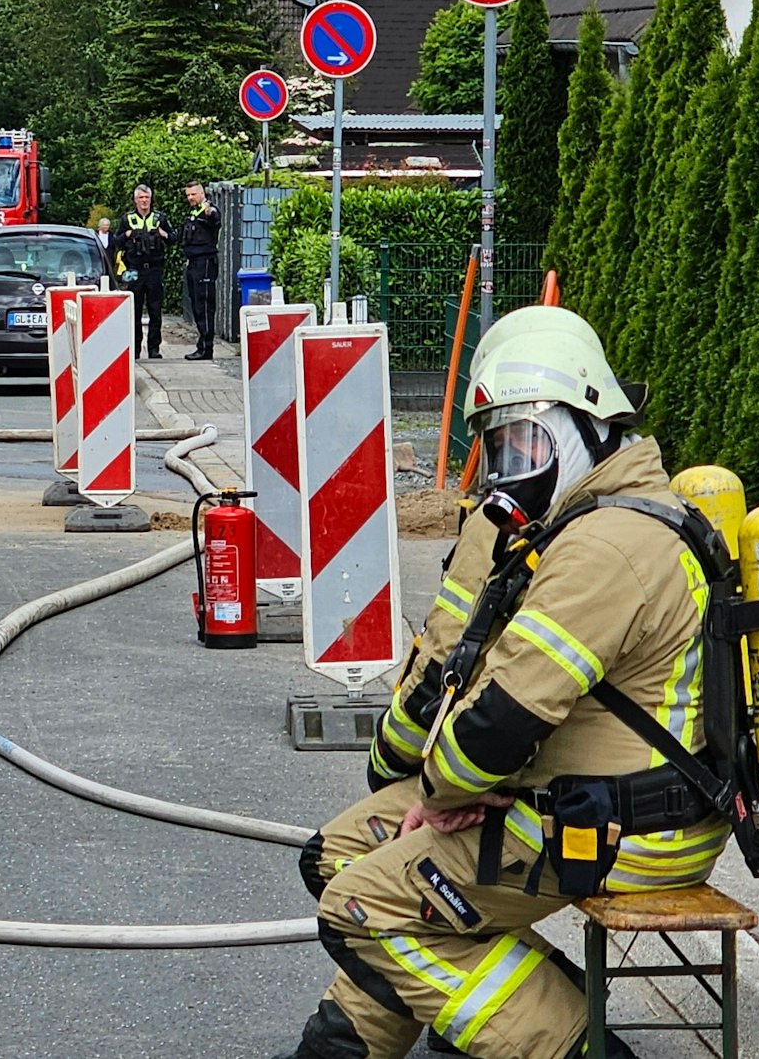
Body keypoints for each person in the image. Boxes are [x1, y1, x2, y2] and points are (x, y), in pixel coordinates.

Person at [274, 305, 727, 1059]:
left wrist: (439, 795)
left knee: (360, 903)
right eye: (499, 447)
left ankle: (575, 1046)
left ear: (588, 426)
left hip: (626, 829)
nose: (512, 469)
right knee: (334, 855)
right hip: (577, 802)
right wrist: (442, 794)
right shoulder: (579, 523)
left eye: (528, 441)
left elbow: (497, 724)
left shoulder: (607, 547)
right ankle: (348, 1044)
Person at [119, 186, 169, 359]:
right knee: (135, 311)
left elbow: (174, 238)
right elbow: (116, 241)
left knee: (155, 310)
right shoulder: (127, 219)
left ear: (151, 199)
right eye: (141, 197)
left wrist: (163, 234)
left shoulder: (159, 218)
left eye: (147, 197)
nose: (144, 201)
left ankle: (154, 348)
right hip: (135, 271)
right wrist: (127, 234)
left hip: (154, 269)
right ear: (135, 200)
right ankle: (135, 348)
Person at [178, 182, 220, 360]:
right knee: (196, 305)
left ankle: (206, 348)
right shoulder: (193, 214)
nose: (190, 198)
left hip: (205, 263)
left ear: (202, 193)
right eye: (188, 195)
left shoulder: (208, 209)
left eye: (193, 194)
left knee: (204, 305)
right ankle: (202, 344)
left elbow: (214, 218)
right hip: (194, 263)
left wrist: (210, 212)